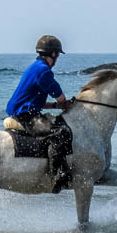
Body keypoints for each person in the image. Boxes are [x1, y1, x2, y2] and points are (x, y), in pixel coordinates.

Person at [6, 35, 73, 192]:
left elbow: (37, 101)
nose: (57, 59)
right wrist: (64, 103)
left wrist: (56, 105)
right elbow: (60, 96)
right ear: (54, 54)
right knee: (60, 133)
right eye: (57, 55)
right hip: (25, 115)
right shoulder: (44, 71)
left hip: (25, 110)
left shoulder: (35, 67)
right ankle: (56, 175)